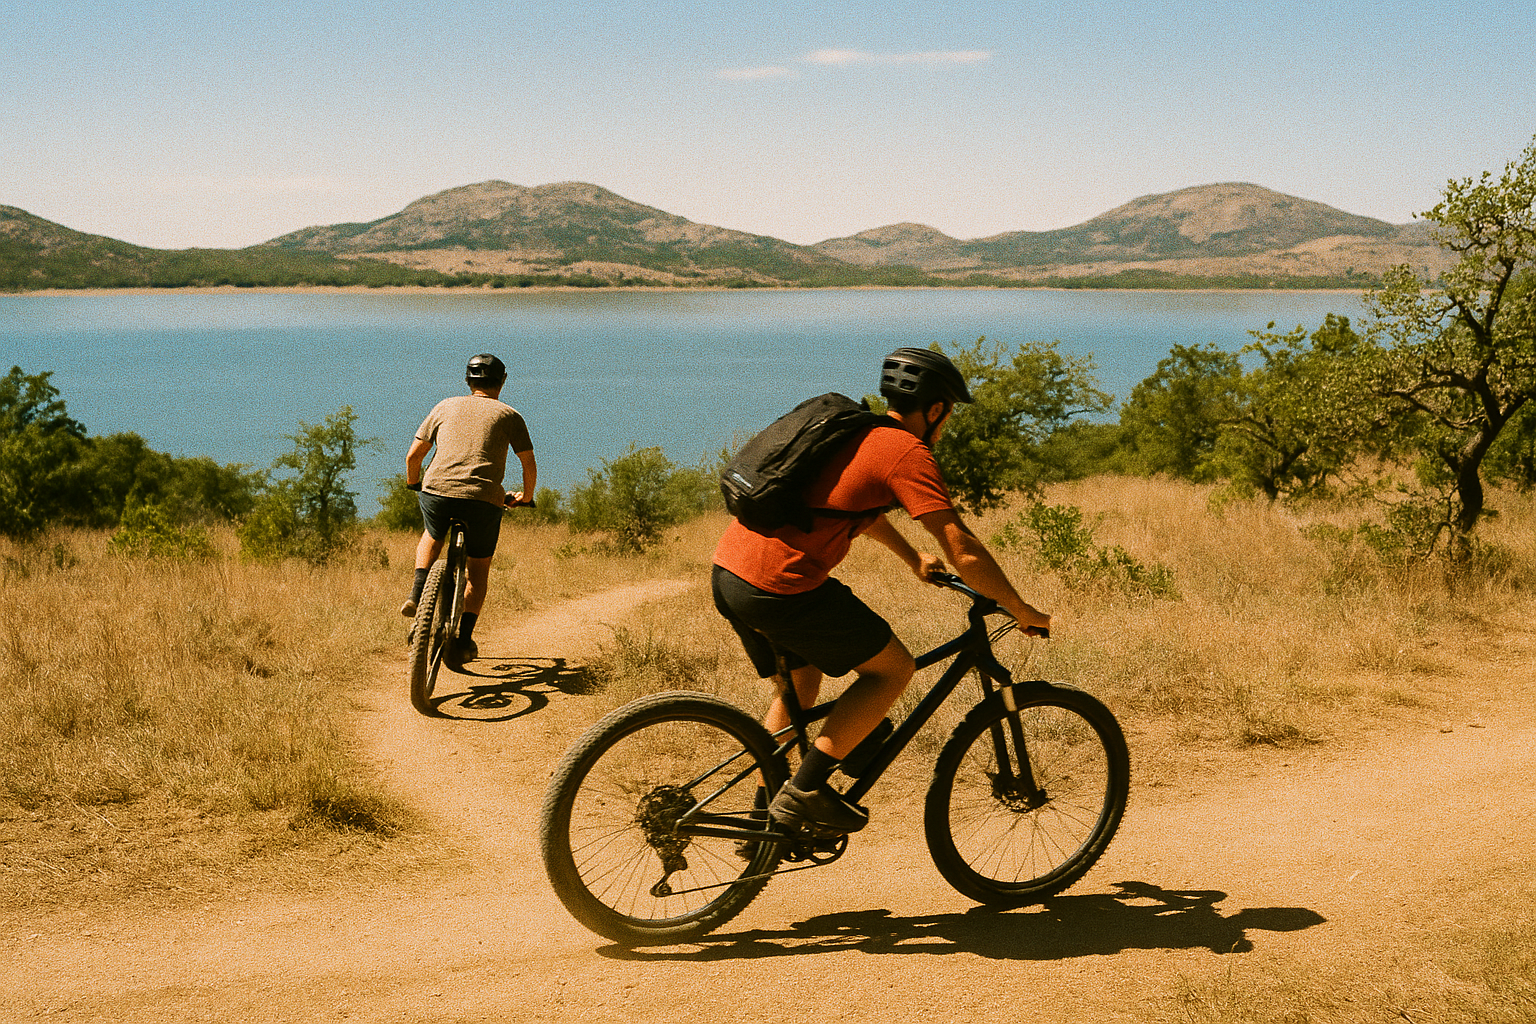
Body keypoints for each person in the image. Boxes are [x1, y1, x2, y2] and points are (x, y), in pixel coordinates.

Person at [712, 347, 1052, 834]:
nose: (947, 423)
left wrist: (913, 559)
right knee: (893, 669)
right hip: (780, 586)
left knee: (801, 686)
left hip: (731, 573)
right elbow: (961, 546)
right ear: (936, 410)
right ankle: (803, 795)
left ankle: (763, 820)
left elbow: (856, 511)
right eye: (948, 414)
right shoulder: (908, 453)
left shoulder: (856, 430)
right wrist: (1019, 607)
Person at [401, 354, 536, 664]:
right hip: (483, 499)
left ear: (468, 381)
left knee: (432, 533)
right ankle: (462, 640)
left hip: (438, 492)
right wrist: (526, 498)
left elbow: (413, 457)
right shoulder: (510, 415)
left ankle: (417, 591)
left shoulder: (444, 406)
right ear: (502, 382)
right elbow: (528, 463)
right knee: (478, 571)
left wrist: (413, 484)